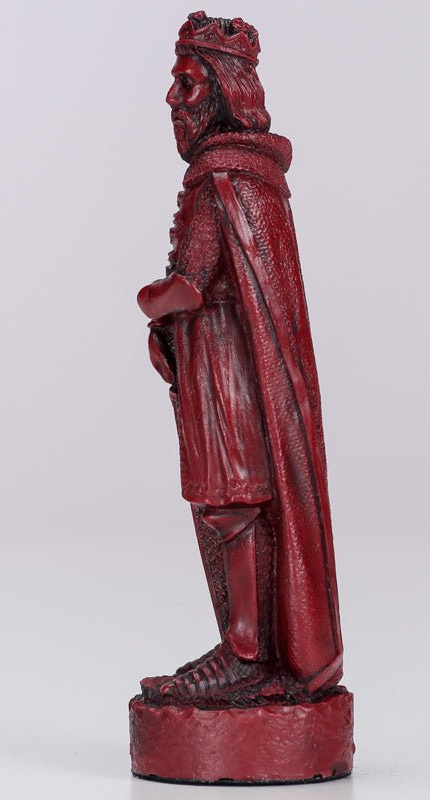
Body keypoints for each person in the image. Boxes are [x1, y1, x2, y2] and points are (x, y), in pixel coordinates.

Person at [137, 12, 344, 704]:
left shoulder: (220, 177)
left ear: (223, 90)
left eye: (187, 85)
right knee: (235, 506)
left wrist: (146, 300)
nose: (173, 99)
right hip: (228, 365)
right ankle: (247, 647)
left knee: (233, 505)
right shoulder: (248, 177)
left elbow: (188, 286)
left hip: (227, 374)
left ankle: (248, 651)